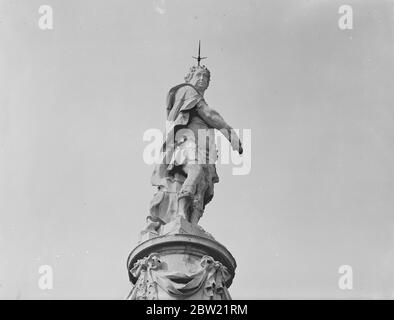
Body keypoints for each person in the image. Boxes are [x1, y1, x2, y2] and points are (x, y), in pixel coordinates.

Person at [149, 64, 243, 229]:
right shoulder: (188, 91)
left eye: (205, 77)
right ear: (189, 78)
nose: (201, 79)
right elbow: (209, 114)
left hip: (205, 148)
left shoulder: (196, 97)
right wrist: (231, 135)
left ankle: (192, 224)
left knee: (203, 186)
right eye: (198, 75)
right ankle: (181, 213)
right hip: (187, 141)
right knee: (195, 171)